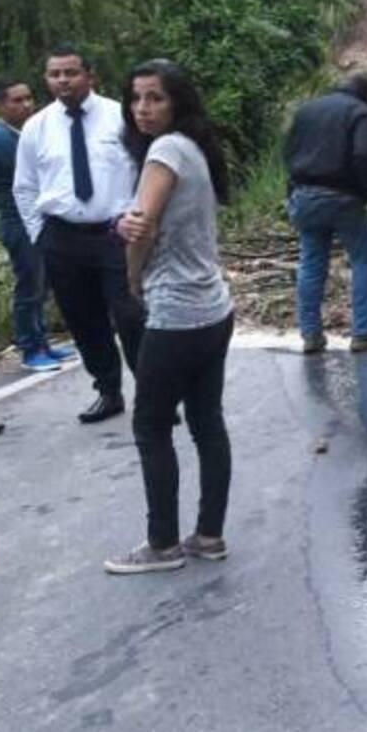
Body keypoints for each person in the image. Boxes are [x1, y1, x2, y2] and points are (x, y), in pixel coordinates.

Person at [105, 59, 235, 574]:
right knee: (206, 421)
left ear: (177, 102)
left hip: (178, 314)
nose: (143, 108)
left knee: (151, 424)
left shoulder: (165, 150)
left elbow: (144, 228)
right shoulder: (194, 148)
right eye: (136, 98)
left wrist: (133, 279)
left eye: (155, 97)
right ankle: (208, 535)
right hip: (213, 308)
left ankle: (161, 546)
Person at [13, 45, 144, 423]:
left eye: (70, 72)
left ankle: (153, 395)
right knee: (84, 319)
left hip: (115, 236)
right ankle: (108, 390)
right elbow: (24, 187)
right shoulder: (37, 127)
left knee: (131, 316)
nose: (62, 80)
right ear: (47, 80)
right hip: (62, 238)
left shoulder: (121, 117)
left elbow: (143, 171)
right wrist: (40, 235)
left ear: (90, 75)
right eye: (55, 74)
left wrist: (137, 222)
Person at [284, 74, 367, 354]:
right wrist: (366, 193)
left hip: (304, 195)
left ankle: (311, 335)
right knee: (363, 259)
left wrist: (292, 192)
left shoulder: (307, 110)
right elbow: (365, 156)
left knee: (311, 263)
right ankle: (364, 333)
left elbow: (288, 152)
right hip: (343, 197)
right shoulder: (363, 114)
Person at [0, 78, 77, 371]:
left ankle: (43, 343)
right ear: (0, 105)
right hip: (18, 223)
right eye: (17, 100)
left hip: (37, 220)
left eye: (28, 98)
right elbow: (34, 178)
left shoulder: (27, 132)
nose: (26, 104)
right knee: (29, 287)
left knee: (42, 285)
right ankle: (29, 349)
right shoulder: (0, 138)